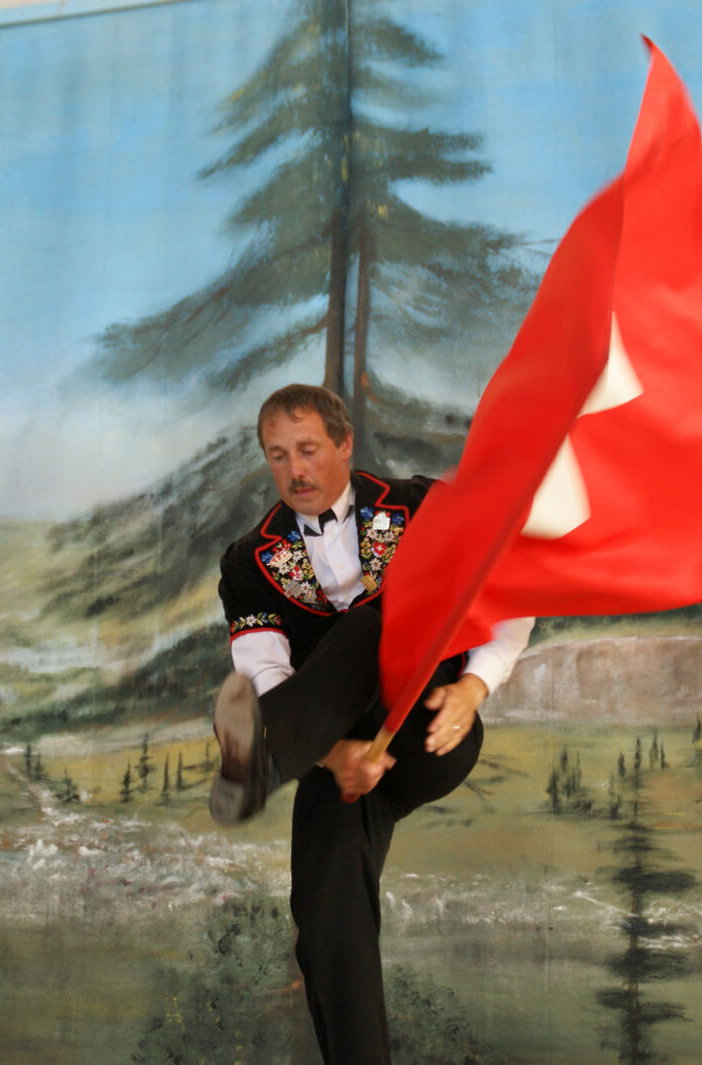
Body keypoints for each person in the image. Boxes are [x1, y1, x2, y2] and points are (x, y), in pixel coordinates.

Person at [211, 383, 532, 1065]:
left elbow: (510, 593)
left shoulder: (421, 507)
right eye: (277, 456)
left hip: (429, 724)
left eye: (306, 450)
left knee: (368, 624)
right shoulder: (247, 562)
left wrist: (475, 687)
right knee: (326, 922)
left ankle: (265, 764)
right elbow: (264, 674)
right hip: (336, 749)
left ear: (345, 444)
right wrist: (331, 759)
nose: (294, 470)